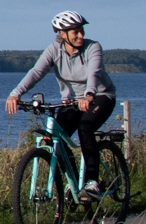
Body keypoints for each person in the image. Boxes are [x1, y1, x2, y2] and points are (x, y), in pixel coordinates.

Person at [7, 10, 116, 194]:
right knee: (56, 135)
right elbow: (36, 73)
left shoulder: (93, 48)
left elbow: (94, 72)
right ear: (62, 34)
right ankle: (73, 183)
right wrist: (16, 94)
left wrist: (89, 94)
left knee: (85, 127)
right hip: (72, 101)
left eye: (82, 30)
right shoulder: (54, 50)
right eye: (76, 32)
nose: (81, 35)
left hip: (100, 96)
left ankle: (91, 182)